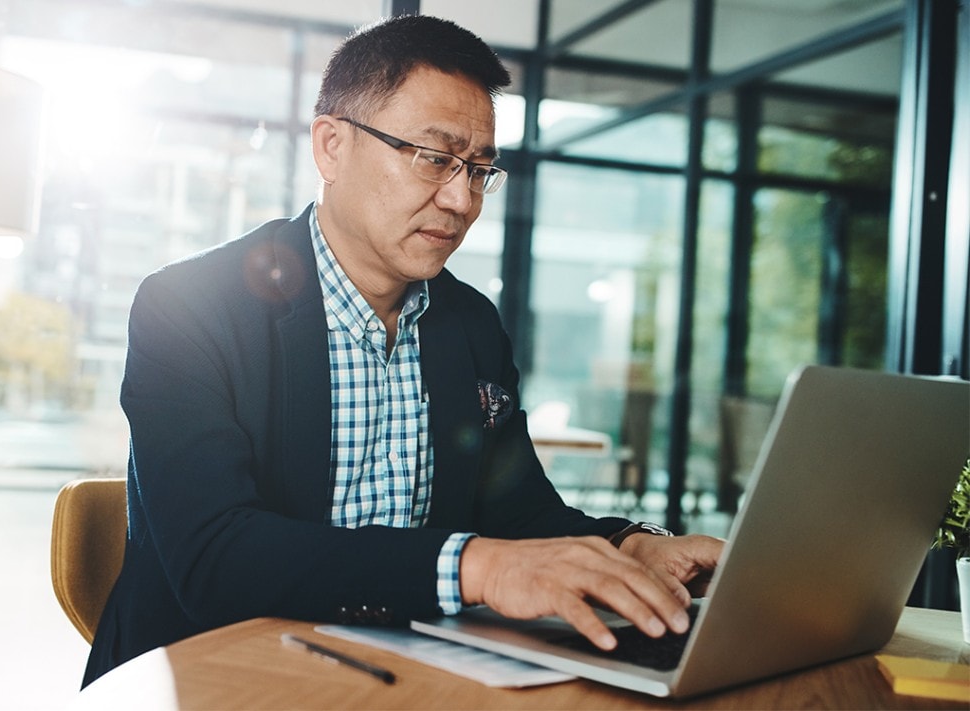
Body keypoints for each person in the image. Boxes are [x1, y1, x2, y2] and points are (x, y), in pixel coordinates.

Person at [82, 13, 722, 686]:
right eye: (434, 158)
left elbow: (521, 511)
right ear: (331, 146)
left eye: (479, 170)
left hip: (406, 670)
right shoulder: (188, 307)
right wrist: (480, 566)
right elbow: (215, 558)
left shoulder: (470, 323)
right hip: (210, 669)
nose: (461, 200)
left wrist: (632, 548)